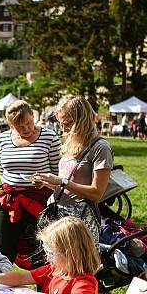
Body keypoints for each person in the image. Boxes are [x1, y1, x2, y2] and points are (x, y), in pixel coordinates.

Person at [0, 100, 60, 268]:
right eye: (19, 126)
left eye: (29, 122)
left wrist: (44, 182)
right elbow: (1, 169)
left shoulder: (49, 137)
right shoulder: (3, 139)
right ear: (10, 124)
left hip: (39, 201)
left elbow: (59, 173)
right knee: (3, 249)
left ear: (33, 116)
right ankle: (0, 287)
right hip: (8, 201)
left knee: (38, 251)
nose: (26, 128)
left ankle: (43, 290)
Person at [32, 96, 113, 244]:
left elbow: (96, 193)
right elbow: (68, 184)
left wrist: (61, 181)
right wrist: (47, 183)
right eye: (61, 123)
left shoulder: (100, 147)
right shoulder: (71, 142)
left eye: (68, 123)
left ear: (82, 120)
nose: (63, 128)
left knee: (77, 265)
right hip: (58, 216)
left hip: (79, 221)